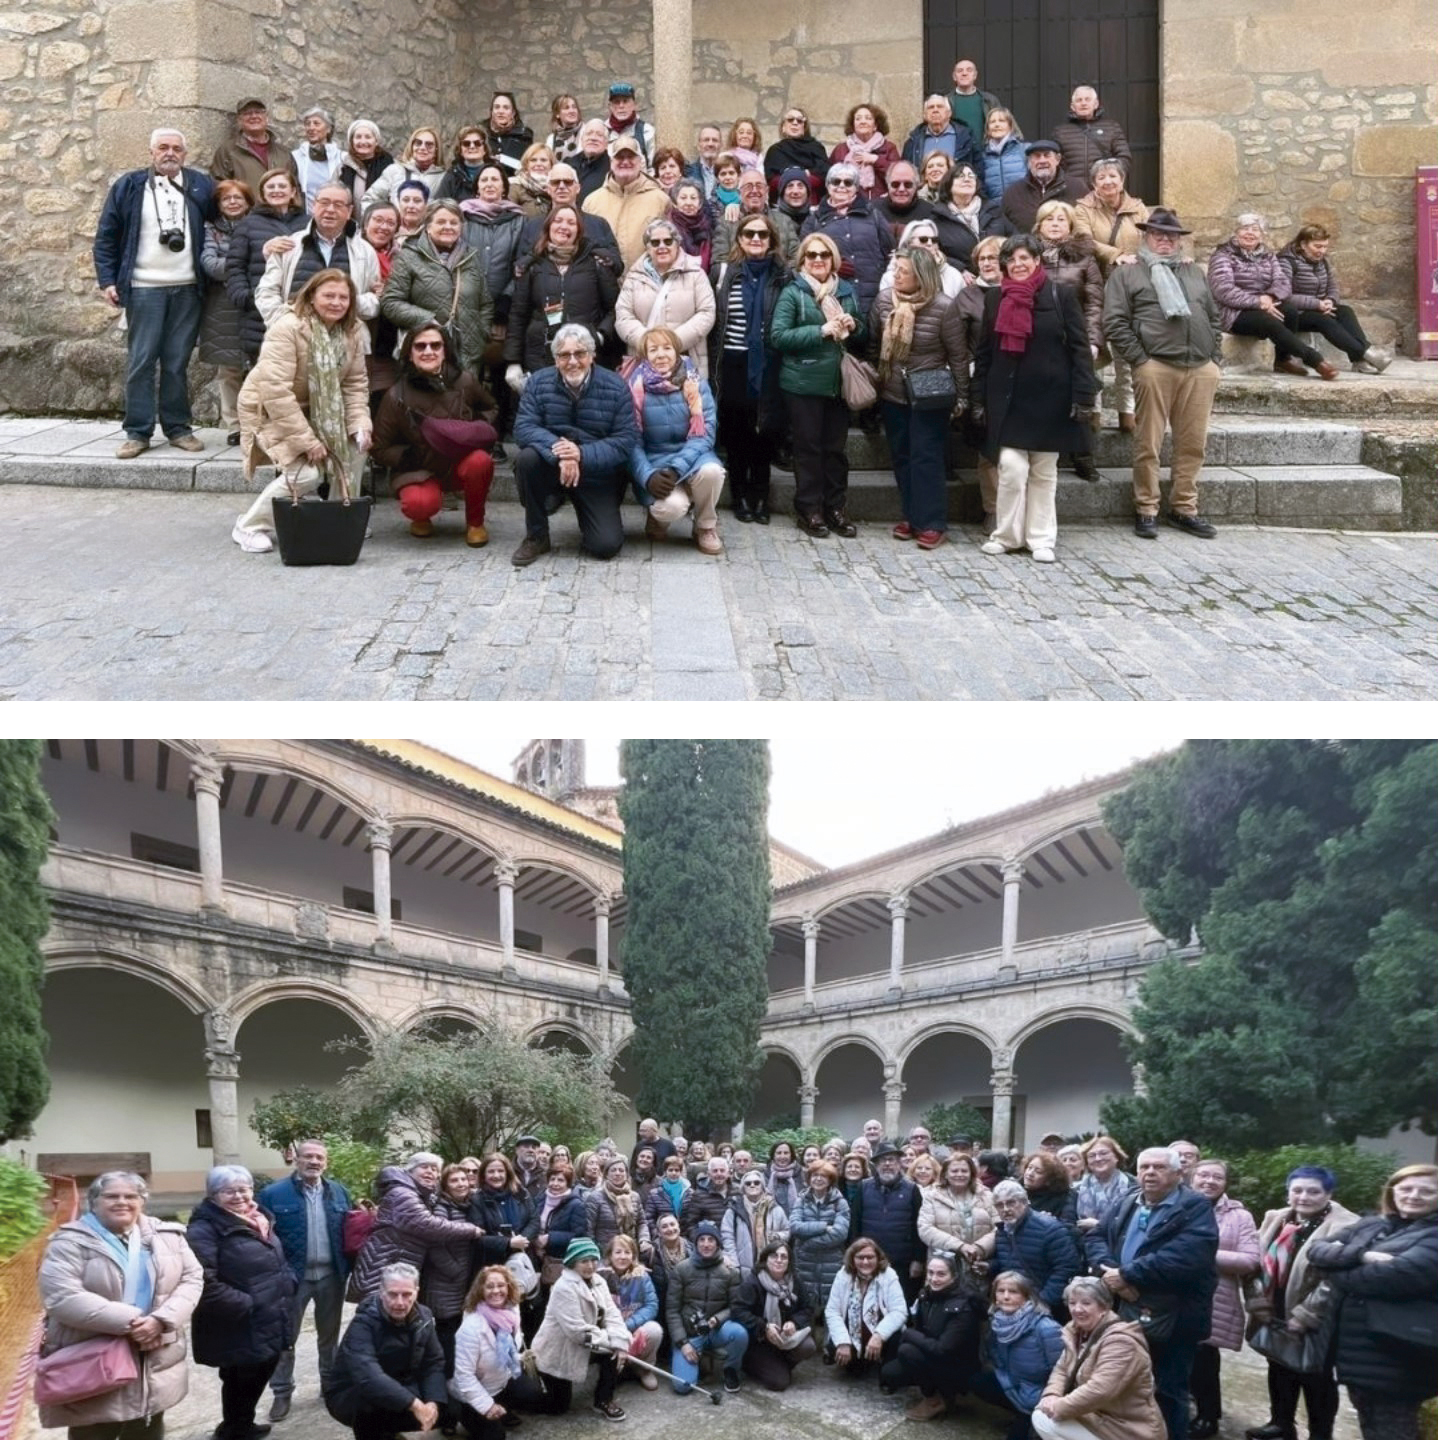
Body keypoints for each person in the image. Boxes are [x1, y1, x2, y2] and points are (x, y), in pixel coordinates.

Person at [38, 1171, 203, 1440]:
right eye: (111, 1196)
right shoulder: (69, 1241)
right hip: (94, 1354)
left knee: (148, 1426)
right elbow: (61, 1296)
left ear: (142, 1201)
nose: (122, 1202)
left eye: (131, 1196)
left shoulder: (166, 1235)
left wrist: (160, 1320)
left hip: (154, 1352)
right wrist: (133, 1323)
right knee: (95, 1428)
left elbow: (192, 1277)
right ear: (94, 1201)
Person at [972, 233, 1097, 564]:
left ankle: (1040, 538)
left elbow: (1080, 349)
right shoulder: (995, 299)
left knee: (1044, 471)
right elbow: (984, 353)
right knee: (1011, 468)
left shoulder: (1061, 295)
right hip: (1008, 398)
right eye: (1011, 260)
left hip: (1050, 397)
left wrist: (1084, 395)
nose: (1018, 265)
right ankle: (1007, 535)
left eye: (1024, 258)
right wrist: (977, 397)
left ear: (1037, 261)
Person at [230, 268, 373, 553]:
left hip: (321, 409)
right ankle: (248, 525)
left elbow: (355, 385)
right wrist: (307, 441)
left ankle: (337, 515)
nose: (336, 302)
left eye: (343, 297)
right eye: (328, 295)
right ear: (311, 296)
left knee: (357, 449)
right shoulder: (288, 327)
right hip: (270, 409)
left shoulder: (352, 330)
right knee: (307, 476)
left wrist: (361, 425)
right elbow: (275, 391)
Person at [1103, 206, 1225, 540]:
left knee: (1193, 443)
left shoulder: (1194, 273)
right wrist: (1140, 360)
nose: (1165, 242)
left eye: (1171, 237)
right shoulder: (1127, 273)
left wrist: (1214, 356)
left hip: (1200, 367)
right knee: (1149, 442)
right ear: (1146, 237)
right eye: (1159, 235)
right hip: (1155, 365)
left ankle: (1185, 507)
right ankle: (1146, 508)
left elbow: (1213, 316)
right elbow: (1114, 321)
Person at [93, 127, 214, 459]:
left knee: (176, 361)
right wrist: (108, 280)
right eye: (163, 147)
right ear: (151, 151)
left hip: (189, 287)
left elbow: (221, 225)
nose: (170, 153)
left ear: (185, 154)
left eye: (177, 148)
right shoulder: (129, 186)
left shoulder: (201, 185)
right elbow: (106, 236)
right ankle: (137, 432)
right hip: (144, 288)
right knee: (142, 360)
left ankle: (178, 428)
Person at [1083, 1145, 1220, 1440]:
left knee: (1169, 1391)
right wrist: (1111, 1274)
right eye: (1144, 1167)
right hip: (1128, 1307)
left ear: (1178, 1173)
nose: (1150, 1173)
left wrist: (1127, 1275)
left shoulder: (1194, 1207)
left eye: (1159, 1167)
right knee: (1127, 1383)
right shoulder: (1128, 1200)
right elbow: (1095, 1237)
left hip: (1175, 1317)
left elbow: (1187, 1256)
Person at [1307, 1163, 1438, 1440]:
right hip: (1361, 1355)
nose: (1413, 1195)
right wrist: (1362, 1256)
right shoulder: (1374, 1224)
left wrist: (1335, 1269)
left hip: (1398, 1355)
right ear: (1392, 1191)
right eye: (1406, 1188)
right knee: (1371, 1424)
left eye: (1426, 1191)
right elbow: (1316, 1250)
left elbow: (1395, 1276)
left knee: (1393, 1429)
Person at [1243, 1165, 1357, 1440]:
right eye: (1297, 1190)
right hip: (1274, 1306)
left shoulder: (1346, 1226)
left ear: (1328, 1193)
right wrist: (1258, 1301)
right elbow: (1253, 1263)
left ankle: (1320, 1433)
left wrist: (1305, 1315)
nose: (1303, 1196)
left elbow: (1335, 1280)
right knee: (1278, 1366)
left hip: (1318, 1314)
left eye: (1313, 1191)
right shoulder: (1277, 1219)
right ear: (1288, 1193)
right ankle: (1281, 1423)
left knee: (1316, 1377)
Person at [510, 323, 639, 565]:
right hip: (552, 464)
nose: (572, 361)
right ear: (555, 359)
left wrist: (581, 454)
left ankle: (589, 511)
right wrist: (562, 452)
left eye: (579, 353)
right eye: (564, 355)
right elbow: (524, 428)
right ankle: (536, 535)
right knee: (526, 459)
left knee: (605, 545)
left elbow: (624, 441)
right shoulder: (538, 382)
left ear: (592, 356)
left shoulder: (616, 386)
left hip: (596, 472)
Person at [187, 1165, 297, 1440]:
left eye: (244, 1189)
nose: (239, 1196)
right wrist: (247, 1304)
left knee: (259, 1370)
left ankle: (240, 1424)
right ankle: (234, 1431)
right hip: (238, 1319)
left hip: (268, 1312)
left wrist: (289, 1280)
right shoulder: (205, 1228)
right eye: (229, 1191)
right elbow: (202, 1280)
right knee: (240, 1378)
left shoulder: (258, 1218)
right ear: (213, 1195)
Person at [871, 244, 969, 551]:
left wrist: (962, 397)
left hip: (929, 393)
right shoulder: (885, 300)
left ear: (922, 276)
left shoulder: (943, 306)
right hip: (893, 392)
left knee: (926, 457)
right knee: (901, 455)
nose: (897, 276)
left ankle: (933, 522)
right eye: (895, 270)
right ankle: (912, 516)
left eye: (904, 272)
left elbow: (958, 356)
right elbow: (875, 344)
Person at [771, 229, 867, 538]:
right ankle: (809, 509)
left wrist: (855, 326)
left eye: (823, 255)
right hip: (803, 382)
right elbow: (779, 336)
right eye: (811, 255)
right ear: (802, 260)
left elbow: (864, 335)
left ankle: (836, 508)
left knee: (835, 451)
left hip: (837, 383)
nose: (817, 260)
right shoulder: (794, 292)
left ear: (833, 260)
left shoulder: (846, 291)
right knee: (808, 448)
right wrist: (820, 331)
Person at [372, 324, 497, 545]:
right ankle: (422, 516)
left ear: (445, 350)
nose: (428, 351)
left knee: (481, 461)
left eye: (435, 345)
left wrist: (475, 429)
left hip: (459, 462)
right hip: (420, 469)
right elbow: (380, 447)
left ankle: (475, 523)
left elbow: (491, 407)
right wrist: (408, 455)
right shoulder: (396, 395)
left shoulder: (465, 381)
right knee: (419, 503)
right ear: (409, 354)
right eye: (420, 346)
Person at [259, 1140, 353, 1423]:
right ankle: (282, 1392)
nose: (314, 1161)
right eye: (308, 1156)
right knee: (286, 1338)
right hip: (291, 1279)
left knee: (329, 1336)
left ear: (326, 1162)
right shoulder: (273, 1194)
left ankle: (329, 1386)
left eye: (319, 1157)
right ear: (295, 1159)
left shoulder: (339, 1192)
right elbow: (262, 1238)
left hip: (331, 1277)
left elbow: (348, 1232)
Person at [628, 326, 725, 556]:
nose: (661, 354)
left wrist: (677, 468)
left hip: (693, 456)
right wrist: (646, 476)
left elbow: (705, 434)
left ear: (676, 351)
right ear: (645, 355)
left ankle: (705, 526)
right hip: (655, 460)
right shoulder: (634, 387)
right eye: (653, 349)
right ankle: (658, 519)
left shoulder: (696, 383)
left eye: (666, 348)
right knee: (671, 507)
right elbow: (630, 440)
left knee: (713, 472)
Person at [324, 1262, 447, 1440]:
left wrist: (433, 1403)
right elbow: (367, 1374)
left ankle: (389, 1429)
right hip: (351, 1393)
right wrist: (415, 1405)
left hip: (400, 1384)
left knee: (452, 1405)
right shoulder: (363, 1322)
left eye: (406, 1295)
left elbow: (433, 1362)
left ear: (417, 1292)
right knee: (370, 1406)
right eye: (392, 1294)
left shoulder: (424, 1316)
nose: (400, 1302)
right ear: (381, 1292)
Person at [1209, 213, 1340, 380]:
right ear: (1236, 232)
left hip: (1265, 302)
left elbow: (1282, 282)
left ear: (1262, 235)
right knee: (1268, 321)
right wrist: (1258, 302)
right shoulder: (1223, 255)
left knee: (1290, 311)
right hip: (1232, 312)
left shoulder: (1267, 255)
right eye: (1245, 229)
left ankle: (1282, 360)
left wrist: (1270, 297)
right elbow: (1223, 290)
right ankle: (1315, 360)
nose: (1250, 233)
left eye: (1255, 230)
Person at [1033, 1275, 1165, 1440]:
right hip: (1098, 1418)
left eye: (1086, 1303)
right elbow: (1062, 1369)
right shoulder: (1076, 1331)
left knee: (1045, 1419)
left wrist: (1057, 1407)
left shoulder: (1121, 1341)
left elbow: (1100, 1390)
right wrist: (1051, 1395)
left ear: (1105, 1307)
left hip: (1128, 1429)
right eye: (1072, 1303)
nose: (1077, 1309)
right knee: (1042, 1415)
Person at [380, 198, 494, 385]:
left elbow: (486, 303)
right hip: (426, 351)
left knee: (462, 408)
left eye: (453, 222)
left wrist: (481, 332)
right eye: (441, 222)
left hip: (468, 355)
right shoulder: (409, 256)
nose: (448, 227)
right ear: (427, 226)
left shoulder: (471, 257)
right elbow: (391, 302)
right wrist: (427, 320)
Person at [1073, 159, 1149, 432]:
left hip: (1129, 286)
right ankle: (1093, 410)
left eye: (1112, 176)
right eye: (1101, 178)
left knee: (1125, 348)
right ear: (1094, 183)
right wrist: (1117, 256)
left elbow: (1148, 239)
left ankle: (1127, 412)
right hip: (1095, 283)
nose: (1107, 182)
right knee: (1096, 347)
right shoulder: (1083, 209)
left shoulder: (1137, 208)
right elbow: (1084, 240)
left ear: (1122, 180)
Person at [1186, 1160, 1259, 1439]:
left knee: (1205, 1359)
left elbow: (1250, 1259)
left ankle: (1208, 1415)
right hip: (1176, 1294)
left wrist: (1203, 1254)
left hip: (1216, 1295)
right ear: (1191, 1179)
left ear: (1225, 1183)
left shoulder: (1239, 1216)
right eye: (1203, 1175)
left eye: (1217, 1177)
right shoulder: (1179, 1206)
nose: (1209, 1181)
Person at [348, 1153, 485, 1301]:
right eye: (424, 1167)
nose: (430, 1172)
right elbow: (428, 1224)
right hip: (383, 1267)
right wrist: (471, 1230)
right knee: (378, 1315)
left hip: (393, 1264)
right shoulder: (403, 1194)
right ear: (410, 1170)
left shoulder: (419, 1194)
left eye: (434, 1169)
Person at [254, 182, 382, 335]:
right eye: (324, 203)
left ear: (349, 212)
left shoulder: (365, 252)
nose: (330, 210)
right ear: (314, 206)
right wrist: (282, 322)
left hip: (345, 338)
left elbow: (375, 299)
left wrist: (344, 303)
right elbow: (266, 292)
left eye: (338, 205)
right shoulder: (288, 245)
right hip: (294, 336)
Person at [880, 1251, 985, 1421]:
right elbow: (922, 1329)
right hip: (933, 1353)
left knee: (907, 1350)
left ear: (954, 1276)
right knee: (890, 1373)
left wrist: (908, 1334)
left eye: (941, 1274)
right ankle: (936, 1387)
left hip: (958, 1366)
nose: (934, 1279)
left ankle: (936, 1399)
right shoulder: (927, 1295)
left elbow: (943, 1349)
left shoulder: (964, 1306)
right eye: (930, 1273)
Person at [450, 1266, 549, 1440]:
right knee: (495, 1437)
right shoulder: (470, 1328)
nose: (496, 1291)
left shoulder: (511, 1312)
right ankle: (464, 1415)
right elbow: (464, 1376)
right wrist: (487, 1406)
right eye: (489, 1286)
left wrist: (520, 1358)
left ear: (509, 1287)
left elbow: (506, 1353)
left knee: (533, 1394)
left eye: (501, 1285)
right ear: (480, 1290)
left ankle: (503, 1408)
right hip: (474, 1391)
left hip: (500, 1380)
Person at [1279, 223, 1392, 373]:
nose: (1322, 251)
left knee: (1345, 311)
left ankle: (1358, 360)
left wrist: (1330, 301)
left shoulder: (1322, 262)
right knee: (1323, 320)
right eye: (1317, 246)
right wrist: (1317, 304)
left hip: (1318, 307)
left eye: (1325, 247)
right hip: (1295, 314)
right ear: (1303, 244)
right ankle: (1365, 353)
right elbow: (1285, 296)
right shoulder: (1286, 262)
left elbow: (1333, 287)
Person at [224, 168, 309, 368]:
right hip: (258, 313)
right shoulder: (248, 224)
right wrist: (247, 297)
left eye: (282, 186)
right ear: (262, 193)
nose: (276, 190)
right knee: (263, 380)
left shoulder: (308, 224)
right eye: (270, 187)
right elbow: (235, 267)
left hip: (300, 309)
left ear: (293, 191)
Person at [968, 1271, 1065, 1440]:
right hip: (1016, 1385)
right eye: (1001, 1291)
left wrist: (1047, 1401)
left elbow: (1062, 1372)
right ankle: (1018, 1413)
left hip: (1040, 1396)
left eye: (1013, 1292)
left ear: (1027, 1296)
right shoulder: (998, 1322)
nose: (1006, 1297)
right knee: (978, 1381)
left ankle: (1031, 1421)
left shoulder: (1047, 1328)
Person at [615, 216, 716, 375]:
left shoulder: (696, 274)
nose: (662, 246)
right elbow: (623, 316)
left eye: (668, 241)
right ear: (647, 248)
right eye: (655, 242)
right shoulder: (633, 277)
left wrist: (672, 343)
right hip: (644, 361)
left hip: (686, 360)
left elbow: (706, 313)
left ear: (677, 244)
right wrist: (649, 343)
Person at [801, 162, 895, 322]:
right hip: (834, 296)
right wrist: (831, 268)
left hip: (874, 296)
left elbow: (891, 253)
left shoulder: (874, 215)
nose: (841, 186)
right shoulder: (814, 221)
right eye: (836, 181)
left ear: (856, 187)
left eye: (848, 182)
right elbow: (803, 262)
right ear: (828, 185)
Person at [666, 1221, 747, 1395]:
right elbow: (672, 1310)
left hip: (716, 1330)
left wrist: (717, 1319)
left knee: (739, 1333)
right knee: (682, 1386)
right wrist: (683, 1343)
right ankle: (696, 1359)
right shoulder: (682, 1269)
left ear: (718, 1243)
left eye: (711, 1239)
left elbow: (736, 1306)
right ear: (695, 1244)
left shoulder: (730, 1272)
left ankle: (730, 1369)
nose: (706, 1244)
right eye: (701, 1239)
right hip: (690, 1334)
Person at [200, 179, 252, 445]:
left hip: (252, 301)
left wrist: (230, 265)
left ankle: (256, 423)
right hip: (222, 305)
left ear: (248, 201)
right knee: (229, 368)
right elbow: (209, 263)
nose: (233, 202)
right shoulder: (211, 230)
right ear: (219, 204)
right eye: (226, 199)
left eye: (238, 198)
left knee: (257, 367)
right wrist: (242, 266)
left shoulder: (258, 226)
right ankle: (234, 425)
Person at [987, 1178, 1082, 1317]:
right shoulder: (1003, 1231)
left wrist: (1042, 1301)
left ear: (1025, 1202)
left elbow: (1066, 1268)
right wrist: (989, 1266)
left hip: (1043, 1309)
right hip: (1014, 1304)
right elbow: (1011, 1262)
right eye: (1000, 1205)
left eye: (1011, 1202)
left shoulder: (1049, 1228)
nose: (1006, 1209)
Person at [732, 1240, 816, 1391]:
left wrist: (794, 1323)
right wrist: (764, 1327)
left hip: (785, 1338)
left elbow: (808, 1308)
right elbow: (738, 1311)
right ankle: (754, 1364)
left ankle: (779, 1364)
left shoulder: (795, 1281)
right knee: (779, 1383)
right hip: (759, 1342)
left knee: (808, 1346)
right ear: (765, 1259)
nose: (779, 1260)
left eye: (784, 1257)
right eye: (774, 1255)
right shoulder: (753, 1282)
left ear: (789, 1261)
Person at [583, 135, 668, 268]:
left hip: (647, 283)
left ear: (640, 161)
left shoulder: (660, 200)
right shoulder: (591, 202)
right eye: (620, 157)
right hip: (605, 285)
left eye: (631, 157)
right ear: (611, 162)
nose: (625, 161)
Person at [825, 1237, 906, 1376]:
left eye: (870, 1257)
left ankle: (883, 1362)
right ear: (852, 1258)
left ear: (878, 1258)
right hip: (853, 1334)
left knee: (890, 1366)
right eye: (860, 1257)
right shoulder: (843, 1275)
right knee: (850, 1369)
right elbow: (832, 1311)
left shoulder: (888, 1275)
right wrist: (842, 1341)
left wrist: (879, 1336)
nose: (865, 1262)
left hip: (880, 1336)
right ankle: (857, 1357)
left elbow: (899, 1312)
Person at [788, 1160, 850, 1326]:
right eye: (815, 1175)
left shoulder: (839, 1202)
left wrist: (808, 1244)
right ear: (809, 1178)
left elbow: (839, 1233)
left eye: (823, 1176)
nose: (818, 1179)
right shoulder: (801, 1200)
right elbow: (794, 1226)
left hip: (831, 1262)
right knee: (807, 1306)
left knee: (831, 1308)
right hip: (805, 1263)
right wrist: (823, 1226)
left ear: (830, 1180)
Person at [601, 1234, 664, 1389]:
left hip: (632, 1324)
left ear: (633, 1255)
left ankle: (644, 1369)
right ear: (610, 1255)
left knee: (654, 1330)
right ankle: (614, 1370)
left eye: (627, 1252)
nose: (623, 1257)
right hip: (610, 1328)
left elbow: (652, 1305)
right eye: (618, 1252)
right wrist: (615, 1327)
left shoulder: (641, 1276)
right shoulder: (600, 1276)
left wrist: (629, 1324)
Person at [918, 1152, 997, 1272]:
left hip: (979, 1264)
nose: (959, 1174)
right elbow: (925, 1228)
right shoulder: (932, 1197)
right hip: (942, 1268)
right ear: (945, 1174)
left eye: (964, 1171)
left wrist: (979, 1248)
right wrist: (960, 1246)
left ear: (971, 1174)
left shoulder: (987, 1196)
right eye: (954, 1171)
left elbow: (1000, 1227)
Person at [1053, 87, 1132, 198]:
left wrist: (1108, 178)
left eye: (1087, 99)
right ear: (1072, 106)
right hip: (1072, 193)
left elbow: (1124, 158)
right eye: (1079, 100)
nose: (1083, 103)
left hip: (1105, 192)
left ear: (1096, 104)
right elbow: (1055, 163)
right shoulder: (1061, 132)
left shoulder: (1112, 127)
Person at [468, 1152, 539, 1270]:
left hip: (522, 1259)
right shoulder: (476, 1200)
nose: (496, 1175)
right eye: (491, 1171)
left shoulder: (521, 1194)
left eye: (501, 1171)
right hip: (491, 1263)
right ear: (483, 1175)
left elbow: (534, 1220)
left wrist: (522, 1240)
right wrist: (508, 1243)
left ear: (508, 1173)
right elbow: (477, 1238)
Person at [711, 170, 800, 264]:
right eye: (748, 186)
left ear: (767, 191)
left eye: (759, 186)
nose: (754, 190)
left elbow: (795, 259)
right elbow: (719, 261)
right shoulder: (726, 222)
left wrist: (784, 277)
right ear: (739, 192)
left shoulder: (784, 221)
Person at [211, 98, 298, 193]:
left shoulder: (284, 153)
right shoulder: (227, 151)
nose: (254, 116)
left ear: (266, 117)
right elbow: (219, 187)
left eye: (258, 112)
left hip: (279, 207)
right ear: (239, 120)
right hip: (247, 208)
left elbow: (295, 187)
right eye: (247, 113)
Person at [722, 1167, 790, 1277]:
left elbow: (787, 1231)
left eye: (756, 1183)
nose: (752, 1185)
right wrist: (734, 1263)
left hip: (771, 1265)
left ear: (762, 1186)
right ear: (743, 1188)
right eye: (748, 1183)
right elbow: (727, 1237)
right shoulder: (733, 1210)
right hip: (743, 1266)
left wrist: (776, 1236)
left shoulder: (775, 1208)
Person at [363, 127, 445, 215]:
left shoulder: (443, 178)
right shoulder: (395, 171)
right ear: (411, 146)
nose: (422, 147)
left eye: (429, 145)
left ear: (436, 149)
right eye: (418, 143)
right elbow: (369, 198)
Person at [585, 1155, 653, 1261]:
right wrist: (594, 1254)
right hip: (605, 1254)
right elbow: (588, 1230)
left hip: (630, 1252)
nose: (617, 1173)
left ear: (626, 1175)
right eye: (613, 1170)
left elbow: (641, 1222)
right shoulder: (595, 1198)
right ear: (606, 1174)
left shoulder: (634, 1197)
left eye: (621, 1170)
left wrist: (644, 1240)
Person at [830, 104, 901, 200]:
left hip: (881, 203)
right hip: (848, 203)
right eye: (858, 119)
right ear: (853, 125)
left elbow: (898, 176)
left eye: (868, 118)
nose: (863, 122)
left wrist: (876, 160)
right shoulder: (841, 149)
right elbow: (830, 179)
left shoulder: (889, 147)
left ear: (875, 126)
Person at [1001, 140, 1071, 234]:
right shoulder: (1013, 193)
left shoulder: (1076, 187)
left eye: (1047, 155)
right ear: (1029, 162)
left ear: (1058, 159)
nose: (1042, 161)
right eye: (1037, 156)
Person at [902, 95, 982, 174]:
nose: (935, 110)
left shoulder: (966, 138)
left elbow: (978, 170)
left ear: (949, 113)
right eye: (931, 107)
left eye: (940, 107)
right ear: (925, 115)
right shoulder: (913, 142)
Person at [764, 106, 829, 199]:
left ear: (804, 127)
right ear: (783, 127)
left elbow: (824, 173)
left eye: (799, 120)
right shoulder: (774, 151)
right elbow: (771, 181)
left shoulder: (817, 148)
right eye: (790, 120)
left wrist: (808, 174)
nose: (795, 123)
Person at [1075, 1135, 1136, 1233]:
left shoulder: (1134, 1186)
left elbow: (1134, 1222)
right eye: (1091, 1156)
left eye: (1103, 1153)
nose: (1098, 1158)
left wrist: (1099, 1225)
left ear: (1116, 1157)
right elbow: (1070, 1223)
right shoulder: (1075, 1190)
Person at [873, 161, 939, 244]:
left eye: (908, 184)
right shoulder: (873, 210)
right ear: (888, 185)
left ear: (916, 186)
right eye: (895, 184)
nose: (901, 189)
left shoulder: (931, 213)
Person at [291, 107, 342, 212]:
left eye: (316, 123)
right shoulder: (295, 157)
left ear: (328, 129)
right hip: (305, 217)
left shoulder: (342, 158)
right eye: (308, 124)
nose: (311, 128)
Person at [948, 59, 1006, 149]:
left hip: (985, 153)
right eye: (960, 71)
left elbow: (1004, 125)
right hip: (956, 154)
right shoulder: (945, 102)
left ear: (975, 75)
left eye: (969, 70)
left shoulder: (989, 100)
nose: (964, 73)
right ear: (954, 76)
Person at [337, 120, 393, 212]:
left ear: (376, 141)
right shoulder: (343, 168)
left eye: (368, 137)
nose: (363, 141)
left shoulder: (390, 167)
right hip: (351, 224)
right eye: (358, 137)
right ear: (352, 141)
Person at [1021, 1149, 1081, 1230]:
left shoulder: (1066, 1196)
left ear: (1049, 1180)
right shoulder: (1016, 1190)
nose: (1030, 1173)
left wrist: (1050, 1222)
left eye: (1038, 1171)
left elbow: (1069, 1227)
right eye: (1029, 1168)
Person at [603, 82, 656, 169]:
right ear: (610, 106)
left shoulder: (646, 131)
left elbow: (653, 168)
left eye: (625, 101)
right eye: (616, 102)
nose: (621, 106)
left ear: (634, 105)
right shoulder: (602, 131)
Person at [431, 124, 491, 201]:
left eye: (477, 143)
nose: (472, 146)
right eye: (466, 143)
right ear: (460, 150)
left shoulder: (496, 173)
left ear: (485, 149)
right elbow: (440, 204)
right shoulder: (451, 177)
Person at [981, 108, 1029, 203]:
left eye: (1002, 121)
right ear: (987, 129)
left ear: (1010, 126)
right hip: (994, 212)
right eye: (992, 122)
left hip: (1021, 207)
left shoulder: (1024, 150)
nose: (997, 125)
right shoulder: (982, 156)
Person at [666, 177, 715, 270]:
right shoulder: (668, 227)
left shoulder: (708, 225)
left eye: (693, 198)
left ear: (700, 204)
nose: (688, 203)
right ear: (675, 203)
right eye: (683, 198)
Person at [483, 92, 532, 180]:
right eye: (497, 107)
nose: (501, 111)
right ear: (491, 112)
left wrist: (503, 159)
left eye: (506, 108)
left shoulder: (524, 136)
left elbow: (524, 166)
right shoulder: (482, 133)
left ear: (513, 113)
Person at [572, 120, 613, 202]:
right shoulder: (569, 164)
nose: (593, 138)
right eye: (589, 133)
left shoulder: (612, 168)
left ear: (606, 143)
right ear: (582, 140)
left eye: (599, 135)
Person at [686, 123, 723, 198]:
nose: (710, 144)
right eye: (706, 140)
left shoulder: (728, 172)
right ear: (699, 145)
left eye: (715, 140)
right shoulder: (687, 172)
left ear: (720, 145)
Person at [544, 94, 584, 163]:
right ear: (557, 114)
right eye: (566, 108)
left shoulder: (586, 132)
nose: (572, 111)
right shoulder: (551, 139)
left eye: (574, 107)